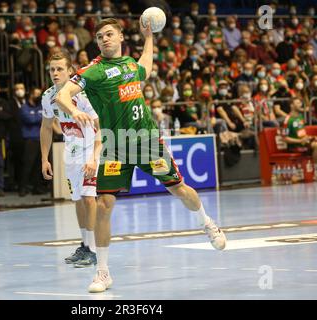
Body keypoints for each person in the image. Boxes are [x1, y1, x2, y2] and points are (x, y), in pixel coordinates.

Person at [55, 18, 227, 293]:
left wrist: (149, 37)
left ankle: (207, 223)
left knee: (180, 190)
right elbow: (63, 94)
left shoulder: (130, 66)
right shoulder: (93, 71)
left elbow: (145, 65)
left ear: (121, 36)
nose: (104, 39)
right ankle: (103, 272)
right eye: (99, 37)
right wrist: (74, 110)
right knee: (104, 205)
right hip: (115, 146)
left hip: (147, 142)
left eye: (109, 34)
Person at [41, 52, 101, 268]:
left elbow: (99, 127)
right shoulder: (48, 96)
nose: (55, 73)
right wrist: (44, 158)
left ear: (70, 72)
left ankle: (93, 250)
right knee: (77, 199)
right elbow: (46, 127)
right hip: (71, 153)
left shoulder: (83, 96)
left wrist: (94, 158)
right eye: (51, 69)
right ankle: (85, 245)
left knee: (88, 197)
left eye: (59, 69)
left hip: (90, 150)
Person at [19, 87, 44, 196]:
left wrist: (39, 117)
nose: (38, 96)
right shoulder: (24, 108)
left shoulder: (41, 106)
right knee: (28, 165)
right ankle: (22, 188)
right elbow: (29, 120)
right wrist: (41, 117)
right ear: (31, 95)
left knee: (38, 165)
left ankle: (36, 187)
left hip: (40, 139)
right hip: (30, 140)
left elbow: (47, 117)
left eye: (40, 94)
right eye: (36, 94)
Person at [283, 97, 317, 163]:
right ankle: (316, 169)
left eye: (300, 103)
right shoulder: (288, 120)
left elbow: (301, 133)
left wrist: (310, 137)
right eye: (298, 103)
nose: (300, 105)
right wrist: (300, 140)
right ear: (292, 105)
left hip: (304, 143)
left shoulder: (300, 117)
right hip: (295, 146)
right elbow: (285, 138)